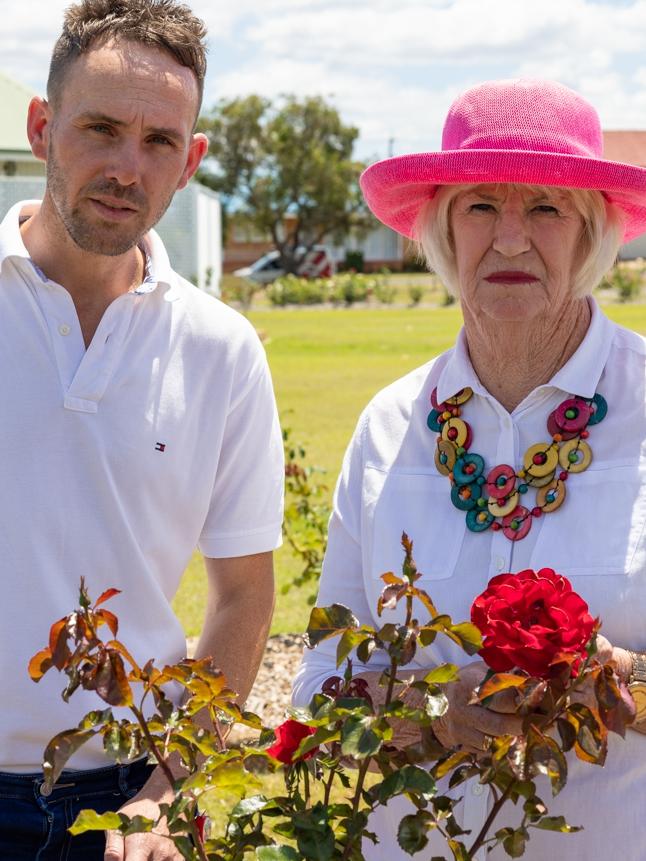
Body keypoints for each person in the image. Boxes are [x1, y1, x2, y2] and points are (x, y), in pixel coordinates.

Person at [293, 78, 646, 860]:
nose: (511, 238)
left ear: (592, 233)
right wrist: (429, 708)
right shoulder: (390, 426)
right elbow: (320, 678)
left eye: (547, 208)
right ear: (443, 229)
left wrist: (628, 686)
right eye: (481, 205)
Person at [0, 1, 283, 859]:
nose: (128, 167)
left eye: (160, 141)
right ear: (43, 125)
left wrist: (168, 790)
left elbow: (241, 592)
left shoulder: (222, 349)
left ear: (191, 160)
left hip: (129, 804)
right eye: (102, 128)